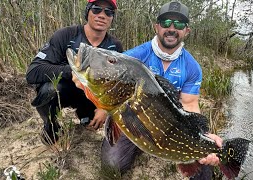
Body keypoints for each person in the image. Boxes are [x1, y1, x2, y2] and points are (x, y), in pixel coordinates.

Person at [97, 1, 223, 180]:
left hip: (171, 127)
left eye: (178, 24)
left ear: (187, 31)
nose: (171, 28)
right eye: (165, 23)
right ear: (157, 27)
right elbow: (110, 86)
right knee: (112, 166)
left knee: (203, 170)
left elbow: (189, 104)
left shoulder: (192, 67)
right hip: (133, 120)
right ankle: (137, 147)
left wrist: (204, 136)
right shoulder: (134, 57)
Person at [25, 0, 122, 145]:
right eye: (96, 9)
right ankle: (51, 126)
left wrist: (104, 109)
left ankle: (84, 118)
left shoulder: (114, 46)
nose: (102, 15)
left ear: (112, 18)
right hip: (65, 89)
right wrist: (72, 72)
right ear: (87, 11)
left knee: (91, 123)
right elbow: (33, 72)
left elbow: (118, 85)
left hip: (91, 95)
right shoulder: (66, 35)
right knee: (50, 90)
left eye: (108, 12)